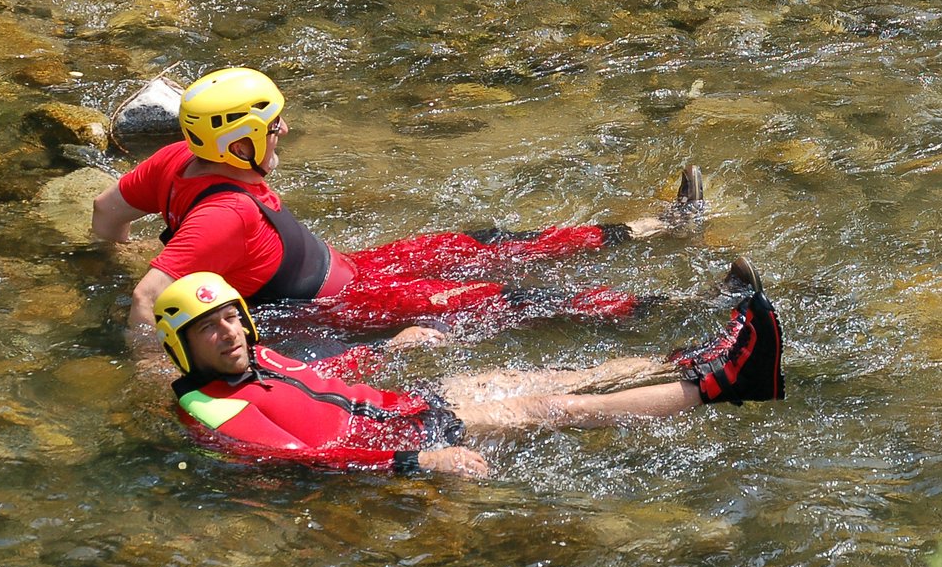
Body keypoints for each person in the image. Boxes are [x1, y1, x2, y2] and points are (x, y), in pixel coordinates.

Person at [91, 66, 705, 342]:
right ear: (238, 140)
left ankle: (665, 224)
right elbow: (149, 297)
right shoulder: (224, 215)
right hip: (345, 306)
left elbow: (104, 211)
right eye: (273, 125)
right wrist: (160, 372)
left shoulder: (174, 161)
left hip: (360, 266)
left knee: (488, 245)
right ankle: (676, 309)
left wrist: (110, 259)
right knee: (508, 299)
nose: (282, 132)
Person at [152, 264, 785, 477]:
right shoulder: (210, 408)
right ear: (184, 346)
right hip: (403, 439)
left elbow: (317, 375)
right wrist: (413, 463)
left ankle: (694, 356)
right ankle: (725, 384)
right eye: (208, 329)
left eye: (233, 318)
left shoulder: (251, 354)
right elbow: (310, 459)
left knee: (549, 374)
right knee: (549, 409)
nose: (228, 333)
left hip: (402, 401)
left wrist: (385, 349)